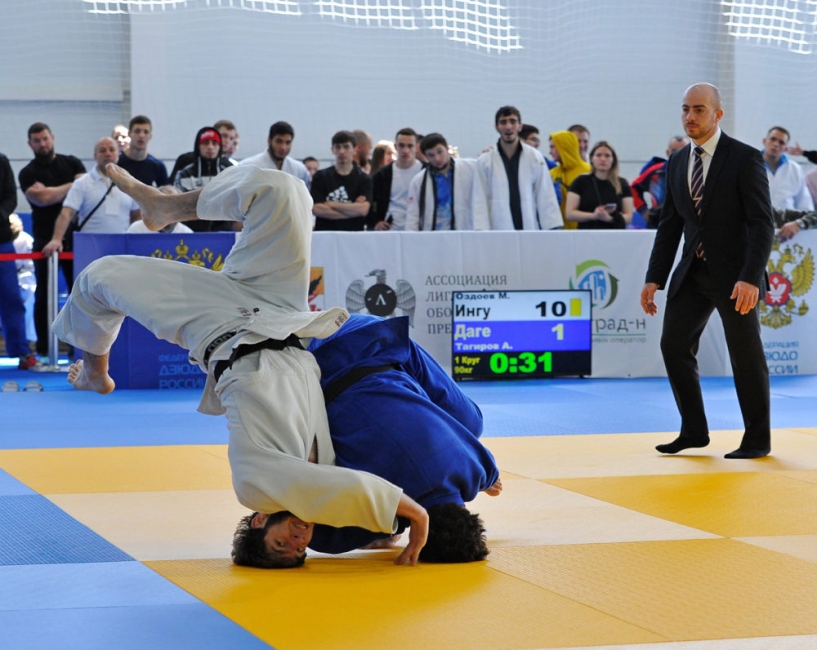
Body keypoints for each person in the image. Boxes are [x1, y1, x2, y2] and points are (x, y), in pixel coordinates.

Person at [53, 163, 429, 567]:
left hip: (223, 329)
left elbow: (336, 490)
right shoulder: (319, 495)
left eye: (281, 544)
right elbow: (341, 501)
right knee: (284, 191)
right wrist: (381, 531)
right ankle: (166, 208)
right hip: (282, 311)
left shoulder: (256, 488)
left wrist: (415, 515)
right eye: (300, 550)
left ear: (259, 521)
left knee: (100, 275)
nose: (298, 541)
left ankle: (96, 372)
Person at [294, 314, 501, 563]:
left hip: (371, 336)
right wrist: (385, 528)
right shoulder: (380, 511)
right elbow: (319, 538)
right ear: (418, 537)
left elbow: (487, 475)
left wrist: (486, 480)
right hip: (312, 366)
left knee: (471, 423)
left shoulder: (478, 470)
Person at [640, 82, 774, 459]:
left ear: (717, 114)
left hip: (737, 277)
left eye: (699, 109)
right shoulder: (678, 161)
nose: (690, 116)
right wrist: (654, 278)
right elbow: (670, 226)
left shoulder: (744, 157)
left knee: (746, 356)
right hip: (693, 272)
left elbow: (762, 223)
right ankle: (694, 430)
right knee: (673, 344)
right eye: (685, 109)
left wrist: (750, 277)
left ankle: (757, 439)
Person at [18, 122, 86, 358]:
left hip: (75, 240)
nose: (42, 144)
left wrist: (51, 190)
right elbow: (42, 199)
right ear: (30, 144)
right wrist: (72, 187)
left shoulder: (72, 163)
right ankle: (45, 349)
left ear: (52, 138)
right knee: (43, 297)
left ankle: (79, 349)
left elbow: (82, 190)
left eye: (45, 139)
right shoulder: (27, 173)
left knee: (79, 296)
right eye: (37, 140)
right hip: (44, 240)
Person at [42, 137, 141, 258]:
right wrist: (56, 239)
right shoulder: (82, 183)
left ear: (118, 154)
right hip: (90, 248)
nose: (108, 153)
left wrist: (137, 240)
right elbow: (67, 212)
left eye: (111, 149)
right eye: (102, 150)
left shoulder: (129, 183)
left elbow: (137, 215)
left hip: (122, 248)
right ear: (95, 156)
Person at [478, 106, 562, 231]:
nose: (508, 127)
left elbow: (545, 193)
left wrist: (552, 226)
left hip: (529, 226)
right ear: (496, 127)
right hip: (498, 227)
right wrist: (481, 230)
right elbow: (480, 198)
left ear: (520, 126)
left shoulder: (535, 157)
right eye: (503, 122)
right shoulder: (485, 161)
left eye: (513, 121)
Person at [405, 133, 490, 231]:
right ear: (426, 157)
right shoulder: (418, 182)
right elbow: (412, 217)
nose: (437, 158)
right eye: (431, 155)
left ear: (447, 148)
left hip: (466, 232)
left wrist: (490, 155)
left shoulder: (471, 168)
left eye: (439, 152)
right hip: (434, 235)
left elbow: (491, 173)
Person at [0, 151, 37, 369]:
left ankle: (22, 352)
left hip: (2, 240)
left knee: (11, 300)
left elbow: (10, 198)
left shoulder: (1, 160)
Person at [174, 127, 234, 231]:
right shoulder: (185, 174)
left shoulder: (229, 173)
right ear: (198, 146)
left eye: (214, 143)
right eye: (206, 143)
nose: (210, 147)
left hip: (224, 233)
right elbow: (183, 205)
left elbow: (233, 204)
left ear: (219, 147)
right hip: (192, 232)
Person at [311, 131, 373, 231]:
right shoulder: (320, 176)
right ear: (332, 150)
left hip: (353, 234)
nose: (342, 151)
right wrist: (352, 210)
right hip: (326, 234)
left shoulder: (364, 179)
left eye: (346, 147)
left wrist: (331, 204)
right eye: (338, 147)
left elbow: (363, 210)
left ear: (355, 149)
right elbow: (316, 209)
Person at [565, 141, 634, 229]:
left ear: (613, 160)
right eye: (598, 155)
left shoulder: (622, 183)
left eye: (607, 156)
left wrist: (610, 219)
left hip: (614, 232)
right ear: (591, 159)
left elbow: (629, 217)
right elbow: (569, 214)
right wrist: (593, 216)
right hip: (587, 231)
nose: (603, 159)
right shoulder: (580, 181)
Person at [367, 127, 424, 232]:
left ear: (417, 147)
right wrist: (375, 222)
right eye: (401, 145)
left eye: (410, 146)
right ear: (395, 146)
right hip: (391, 229)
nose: (405, 150)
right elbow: (368, 200)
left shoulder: (426, 172)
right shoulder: (382, 174)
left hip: (419, 228)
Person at [631, 136, 689, 229]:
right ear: (667, 153)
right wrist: (643, 210)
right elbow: (634, 186)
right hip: (658, 222)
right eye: (674, 151)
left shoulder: (697, 173)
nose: (678, 154)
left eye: (683, 151)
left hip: (688, 223)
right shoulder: (656, 171)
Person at [239, 121, 311, 189]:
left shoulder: (299, 169)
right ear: (269, 140)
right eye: (279, 141)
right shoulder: (248, 166)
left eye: (288, 142)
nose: (283, 147)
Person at [762, 126, 813, 211]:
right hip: (757, 216)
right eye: (773, 139)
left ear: (785, 148)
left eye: (781, 142)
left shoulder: (795, 169)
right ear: (764, 141)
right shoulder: (751, 164)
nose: (776, 144)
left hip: (788, 217)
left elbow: (804, 202)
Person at [549, 130, 591, 229]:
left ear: (563, 147)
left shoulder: (589, 172)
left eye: (552, 147)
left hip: (584, 231)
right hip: (559, 232)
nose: (550, 152)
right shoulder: (551, 174)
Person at [117, 115, 169, 188]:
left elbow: (165, 193)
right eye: (137, 131)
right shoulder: (116, 161)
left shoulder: (158, 166)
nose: (141, 135)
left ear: (150, 136)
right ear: (129, 133)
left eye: (146, 132)